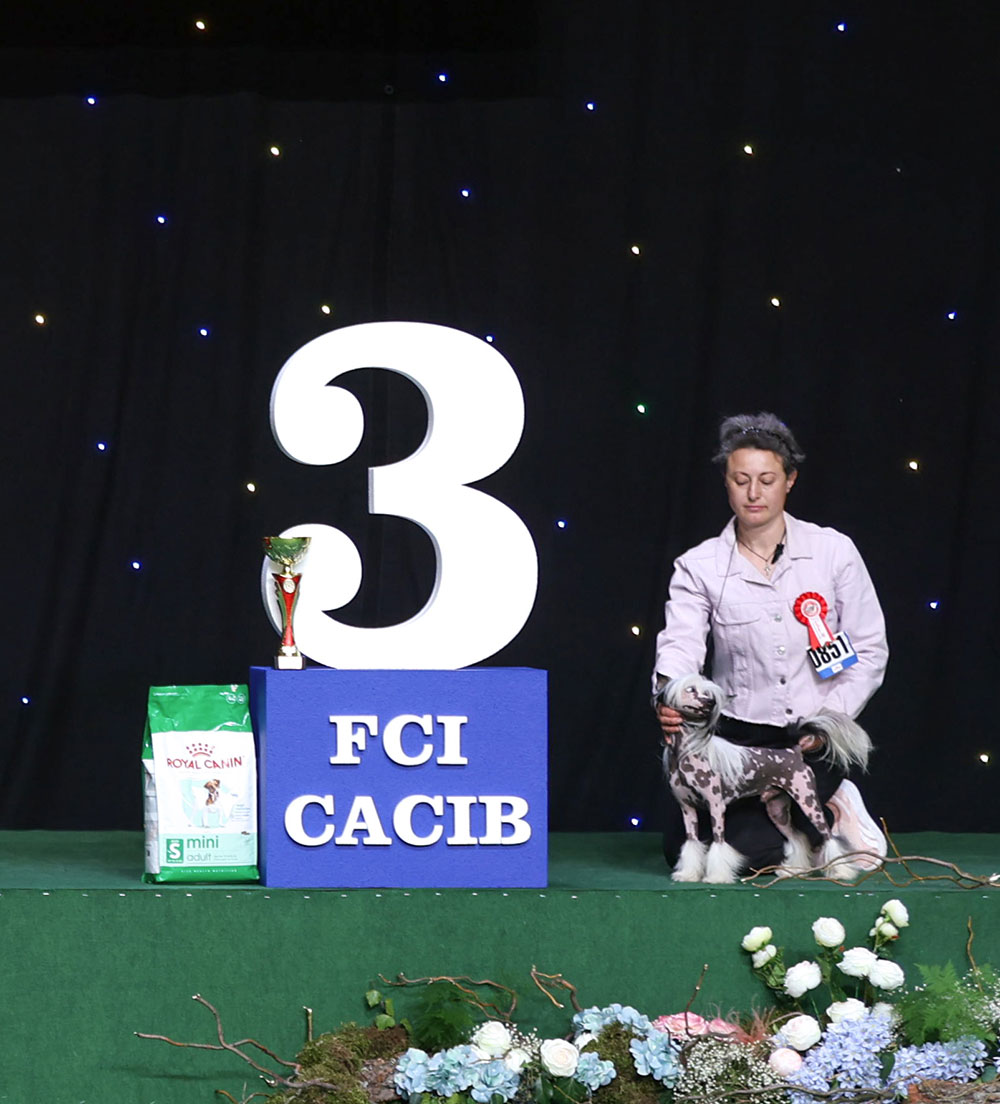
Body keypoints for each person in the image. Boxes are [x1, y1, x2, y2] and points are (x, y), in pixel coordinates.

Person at [653, 412, 888, 874]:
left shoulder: (833, 551)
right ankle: (814, 828)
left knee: (750, 849)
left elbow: (869, 650)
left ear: (790, 480)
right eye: (741, 480)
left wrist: (828, 723)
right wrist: (670, 695)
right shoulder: (698, 565)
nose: (753, 493)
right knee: (687, 845)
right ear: (726, 483)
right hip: (738, 739)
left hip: (812, 738)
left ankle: (833, 806)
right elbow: (680, 644)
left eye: (766, 480)